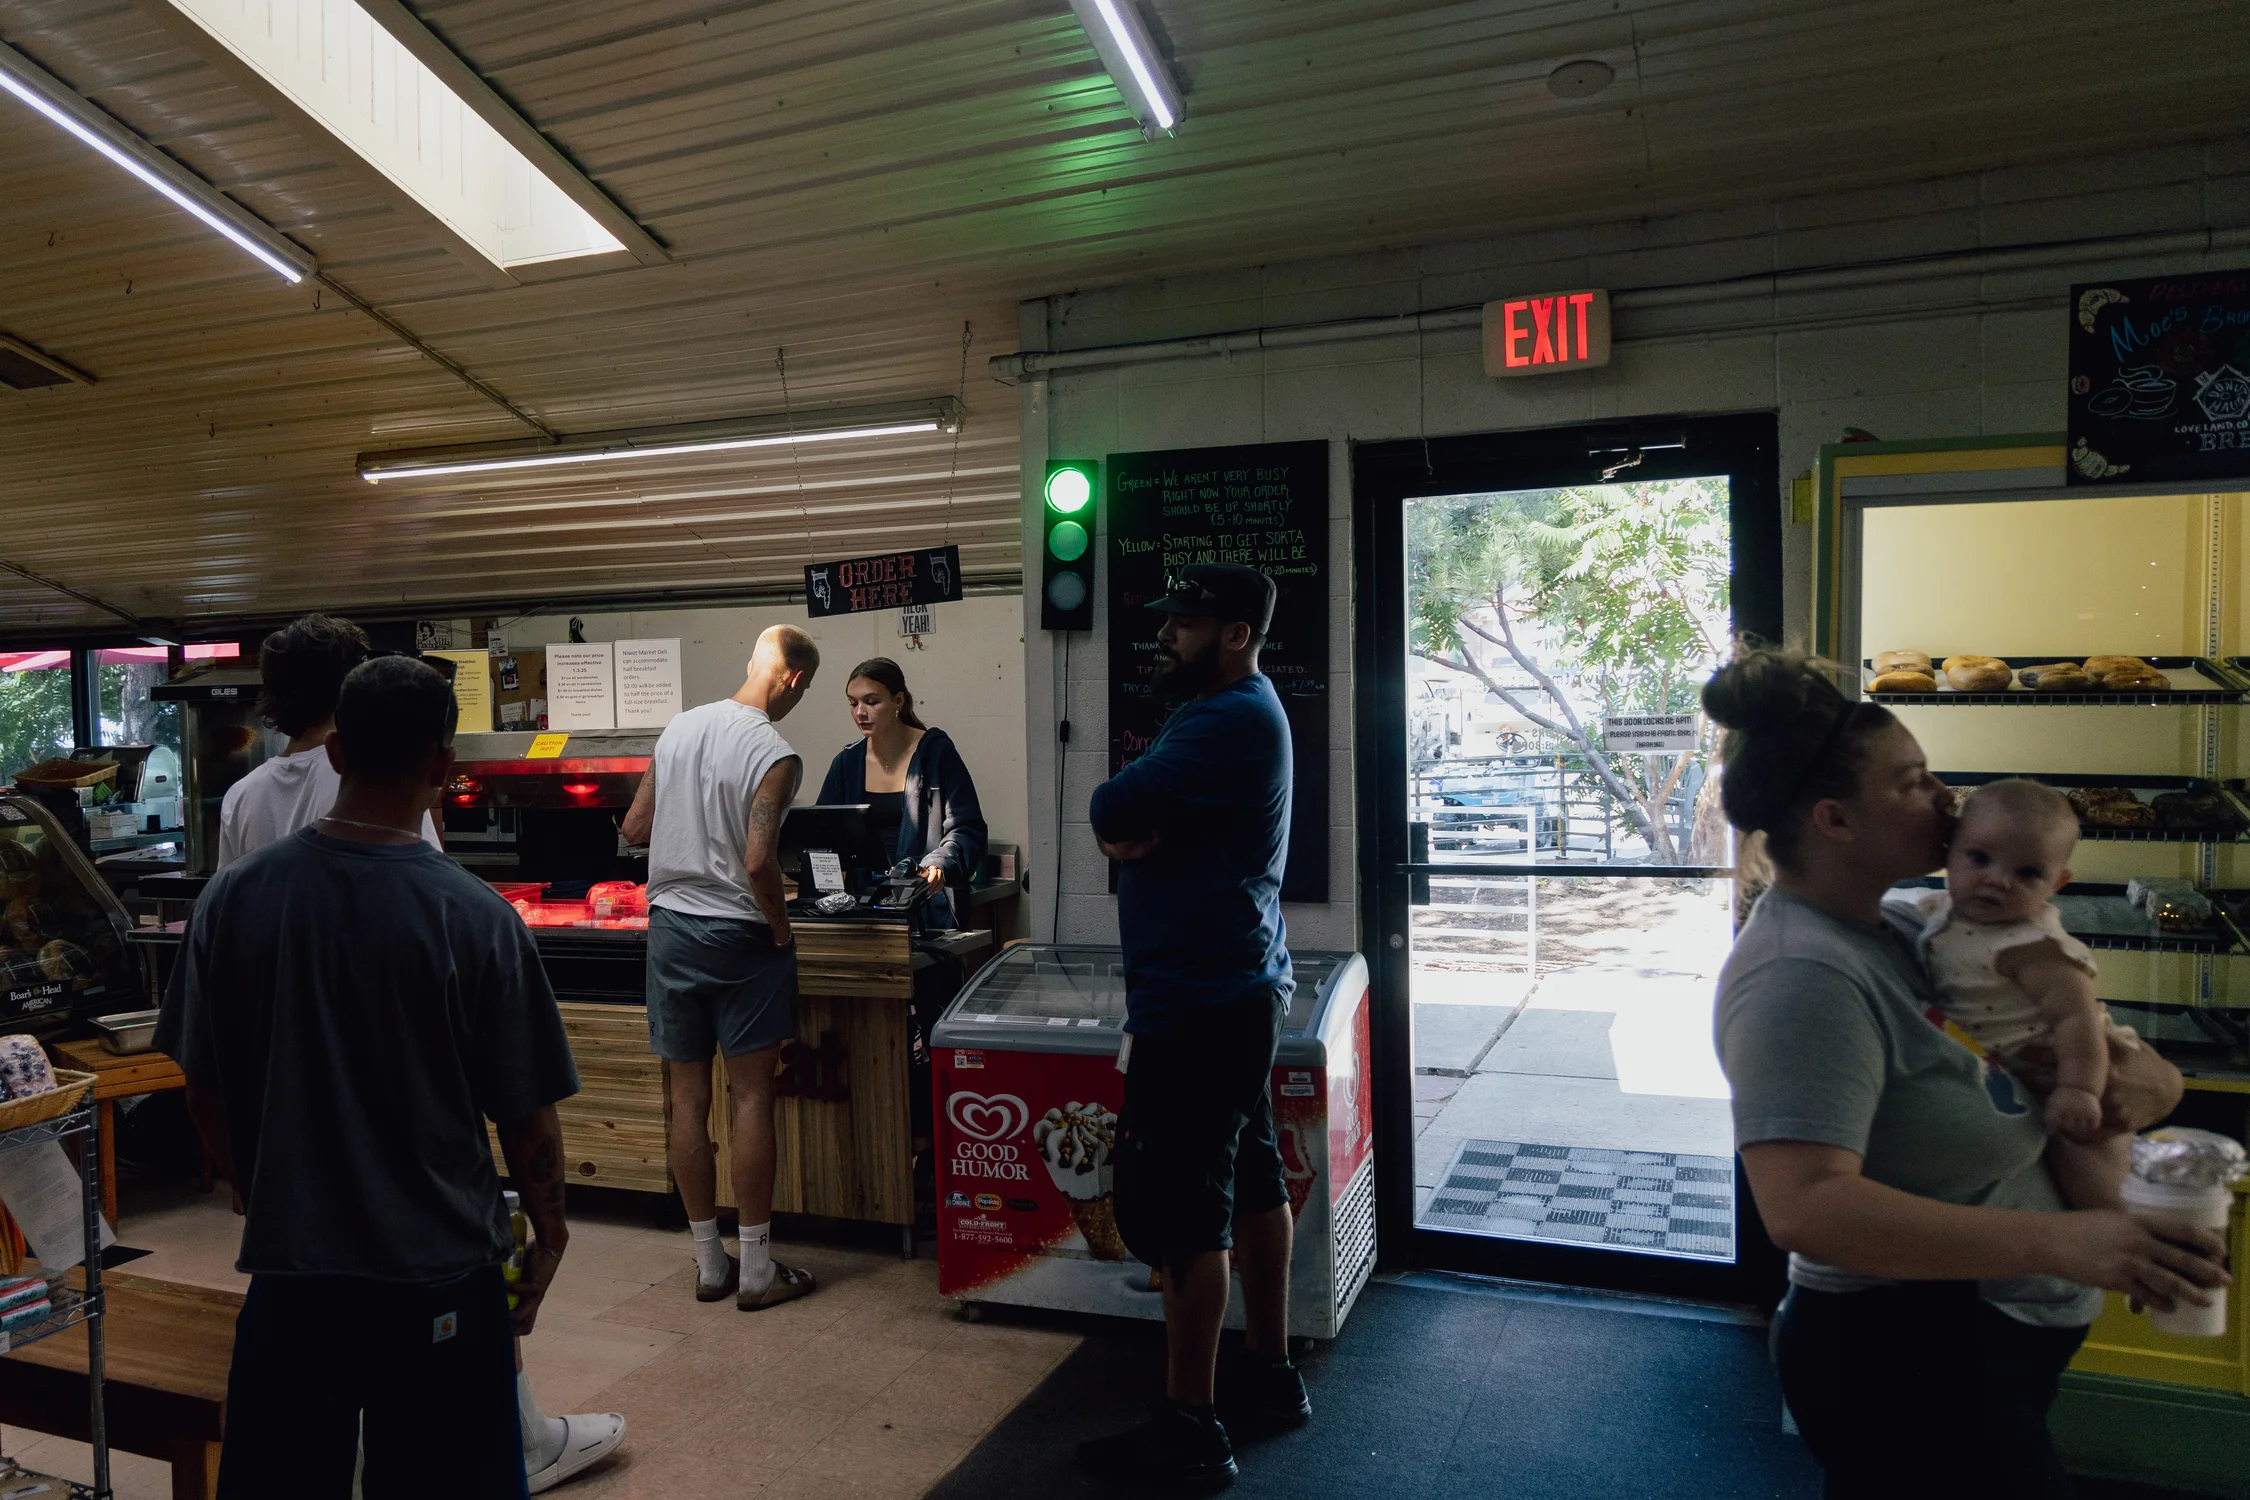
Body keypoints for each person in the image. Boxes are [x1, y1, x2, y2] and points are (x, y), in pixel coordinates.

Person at [1702, 651, 2228, 1499]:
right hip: (1899, 1353)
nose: (1947, 798)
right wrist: (2065, 1241)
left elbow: (2044, 1048)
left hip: (1974, 1337)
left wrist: (2150, 1086)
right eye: (1913, 781)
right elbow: (1805, 1208)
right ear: (1835, 820)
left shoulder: (1905, 931)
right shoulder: (1801, 975)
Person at [208, 621, 624, 1491]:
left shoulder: (233, 899)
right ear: (444, 767)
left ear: (337, 751)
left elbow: (203, 1072)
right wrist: (549, 1231)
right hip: (439, 1275)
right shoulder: (476, 919)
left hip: (291, 1276)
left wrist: (245, 1178)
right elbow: (525, 1114)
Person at [1078, 563, 1306, 1488]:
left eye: (1186, 622)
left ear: (1237, 632)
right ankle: (1268, 1374)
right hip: (1232, 991)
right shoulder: (1220, 712)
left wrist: (1139, 829)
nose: (1166, 634)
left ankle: (1192, 1425)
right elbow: (1126, 824)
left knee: (1185, 1214)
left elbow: (1109, 810)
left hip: (1201, 1003)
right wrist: (1139, 830)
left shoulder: (1228, 716)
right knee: (1249, 1181)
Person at [621, 624, 821, 1311]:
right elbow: (760, 862)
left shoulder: (679, 729)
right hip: (739, 936)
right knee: (751, 1098)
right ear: (793, 679)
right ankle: (759, 1271)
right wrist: (780, 925)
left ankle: (710, 1265)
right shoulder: (776, 751)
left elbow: (634, 827)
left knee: (686, 1099)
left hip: (670, 930)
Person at [1892, 777, 2135, 1209]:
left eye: (2027, 873)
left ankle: (2126, 1238)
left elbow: (2075, 1018)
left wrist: (2078, 1088)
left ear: (2057, 883)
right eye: (1980, 858)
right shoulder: (1935, 913)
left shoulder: (2033, 947)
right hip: (2004, 1075)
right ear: (1949, 851)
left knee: (2089, 1173)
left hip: (2059, 1068)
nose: (1998, 880)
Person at [217, 614, 440, 866]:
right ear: (355, 686)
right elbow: (427, 884)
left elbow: (228, 897)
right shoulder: (378, 782)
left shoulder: (239, 797)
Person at [815, 657, 988, 931]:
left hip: (924, 903)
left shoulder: (935, 754)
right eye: (853, 703)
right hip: (864, 910)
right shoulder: (847, 763)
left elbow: (967, 828)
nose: (860, 712)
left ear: (899, 700)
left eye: (871, 702)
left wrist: (940, 865)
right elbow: (820, 834)